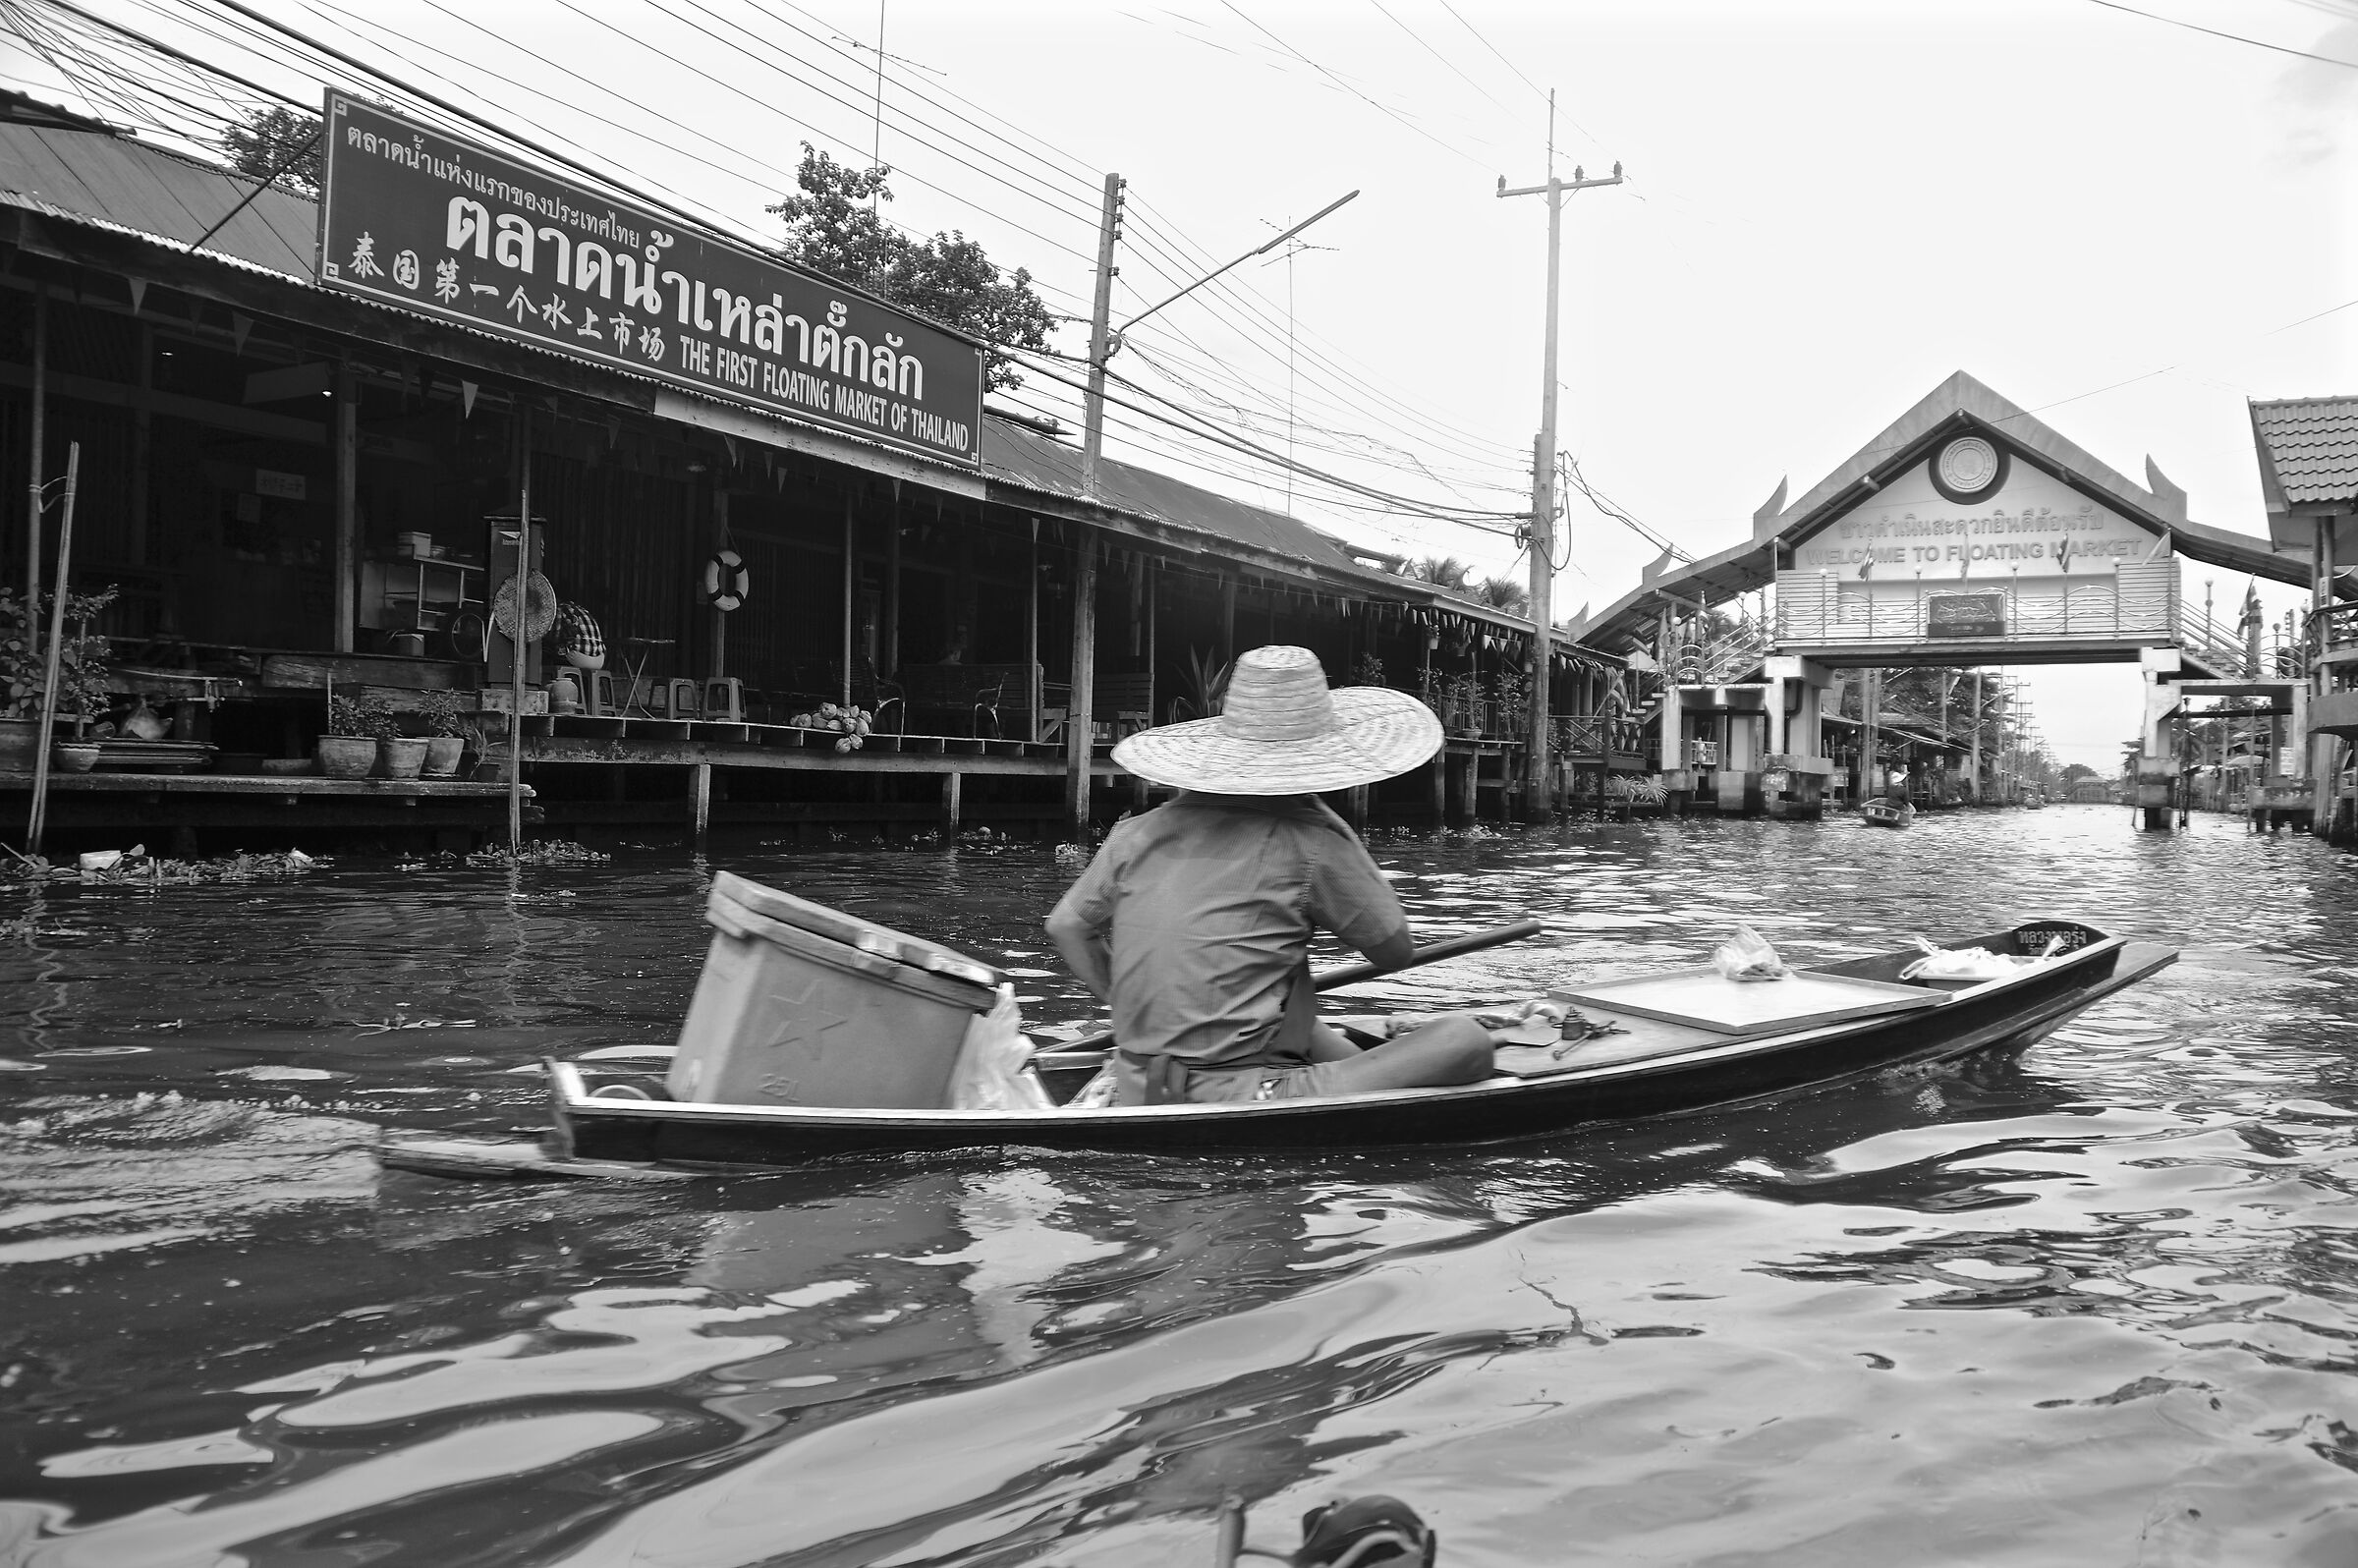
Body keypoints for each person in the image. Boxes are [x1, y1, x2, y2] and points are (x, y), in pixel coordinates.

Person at [1045, 644, 1493, 1106]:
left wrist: (1128, 1008)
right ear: (1324, 763)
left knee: (1297, 998)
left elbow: (1067, 926)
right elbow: (1396, 951)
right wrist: (1334, 826)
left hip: (1137, 1073)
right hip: (1234, 1090)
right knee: (1466, 1040)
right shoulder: (1311, 839)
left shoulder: (1137, 831)